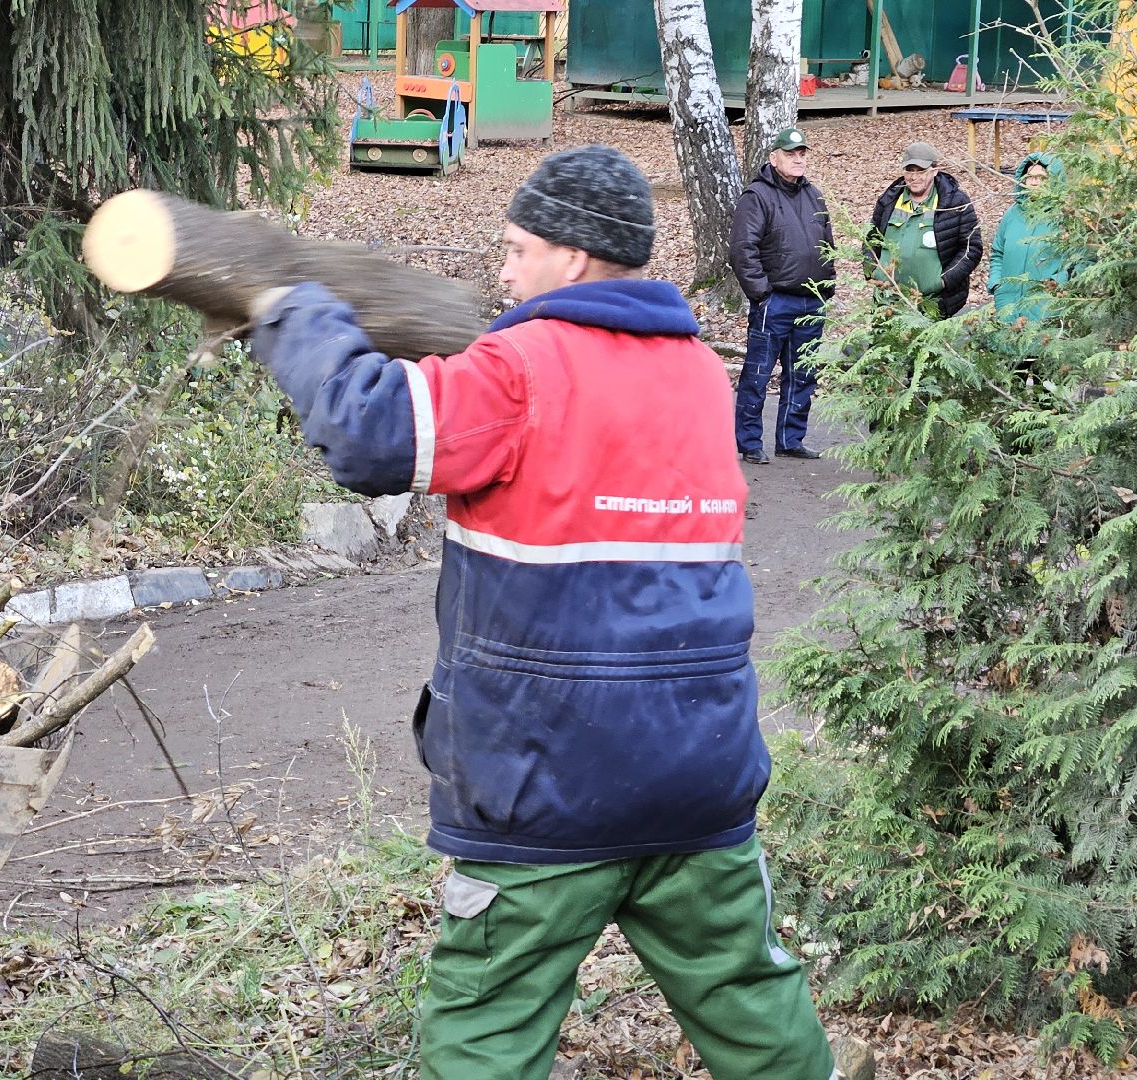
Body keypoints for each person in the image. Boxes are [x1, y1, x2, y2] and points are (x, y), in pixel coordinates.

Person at [246, 145, 854, 1080]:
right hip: (702, 778)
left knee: (484, 1041)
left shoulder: (520, 367)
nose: (503, 269)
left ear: (572, 259)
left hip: (546, 792)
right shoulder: (697, 373)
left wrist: (287, 305)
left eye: (516, 248)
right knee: (755, 1016)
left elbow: (370, 433)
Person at [730, 125, 835, 465]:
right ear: (774, 158)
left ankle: (791, 439)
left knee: (803, 373)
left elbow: (828, 243)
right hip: (774, 301)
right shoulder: (757, 196)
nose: (798, 159)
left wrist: (827, 284)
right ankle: (749, 441)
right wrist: (762, 294)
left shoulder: (814, 195)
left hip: (811, 300)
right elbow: (742, 250)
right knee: (758, 373)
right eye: (791, 154)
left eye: (802, 153)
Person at [868, 141, 983, 316]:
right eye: (909, 171)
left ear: (935, 170)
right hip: (888, 300)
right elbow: (870, 239)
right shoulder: (889, 199)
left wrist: (944, 281)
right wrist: (872, 271)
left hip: (934, 302)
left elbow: (971, 248)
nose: (914, 177)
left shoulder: (954, 202)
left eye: (921, 171)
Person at [989, 152, 1070, 326]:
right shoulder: (1011, 215)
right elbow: (997, 252)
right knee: (1006, 347)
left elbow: (1079, 262)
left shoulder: (1064, 217)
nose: (1034, 182)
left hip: (1045, 306)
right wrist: (996, 284)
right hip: (1007, 304)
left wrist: (1057, 284)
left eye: (1041, 177)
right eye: (1030, 177)